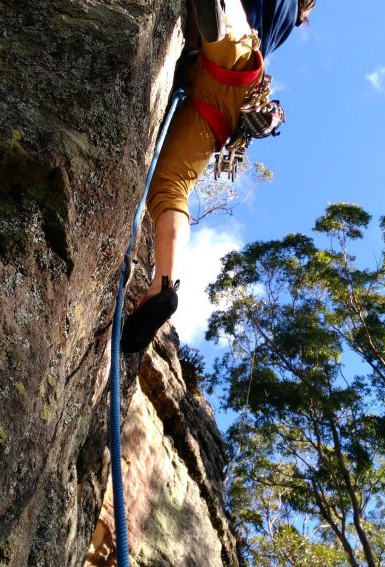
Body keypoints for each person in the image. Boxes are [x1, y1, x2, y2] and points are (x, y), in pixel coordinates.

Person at [121, 0, 316, 353]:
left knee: (230, 35)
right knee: (171, 186)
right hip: (229, 103)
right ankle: (162, 285)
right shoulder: (289, 20)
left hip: (235, 53)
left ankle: (219, 19)